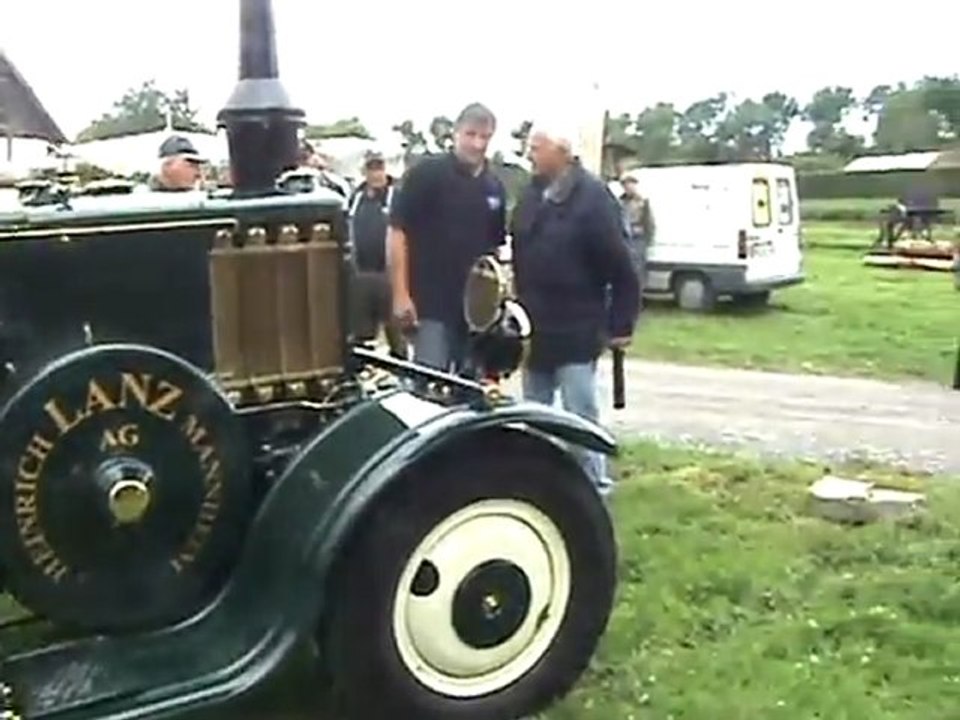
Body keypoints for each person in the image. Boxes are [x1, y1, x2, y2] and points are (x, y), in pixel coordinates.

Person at [511, 122, 641, 495]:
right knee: (534, 414)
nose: (529, 155)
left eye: (537, 148)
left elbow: (622, 266)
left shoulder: (594, 198)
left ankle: (595, 487)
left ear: (562, 151)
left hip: (577, 326)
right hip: (536, 326)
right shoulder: (532, 194)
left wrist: (622, 322)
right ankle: (539, 484)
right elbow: (519, 242)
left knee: (578, 415)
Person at [387, 102, 507, 374]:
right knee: (429, 389)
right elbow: (397, 233)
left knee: (470, 392)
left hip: (475, 315)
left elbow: (496, 252)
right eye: (471, 134)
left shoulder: (494, 187)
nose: (477, 144)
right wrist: (400, 294)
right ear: (455, 133)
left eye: (484, 137)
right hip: (430, 305)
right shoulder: (426, 175)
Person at [347, 150, 407, 358]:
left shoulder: (396, 196)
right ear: (364, 171)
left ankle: (403, 374)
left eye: (379, 168)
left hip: (388, 276)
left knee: (396, 335)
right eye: (371, 169)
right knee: (362, 338)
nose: (376, 174)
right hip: (361, 275)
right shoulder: (355, 198)